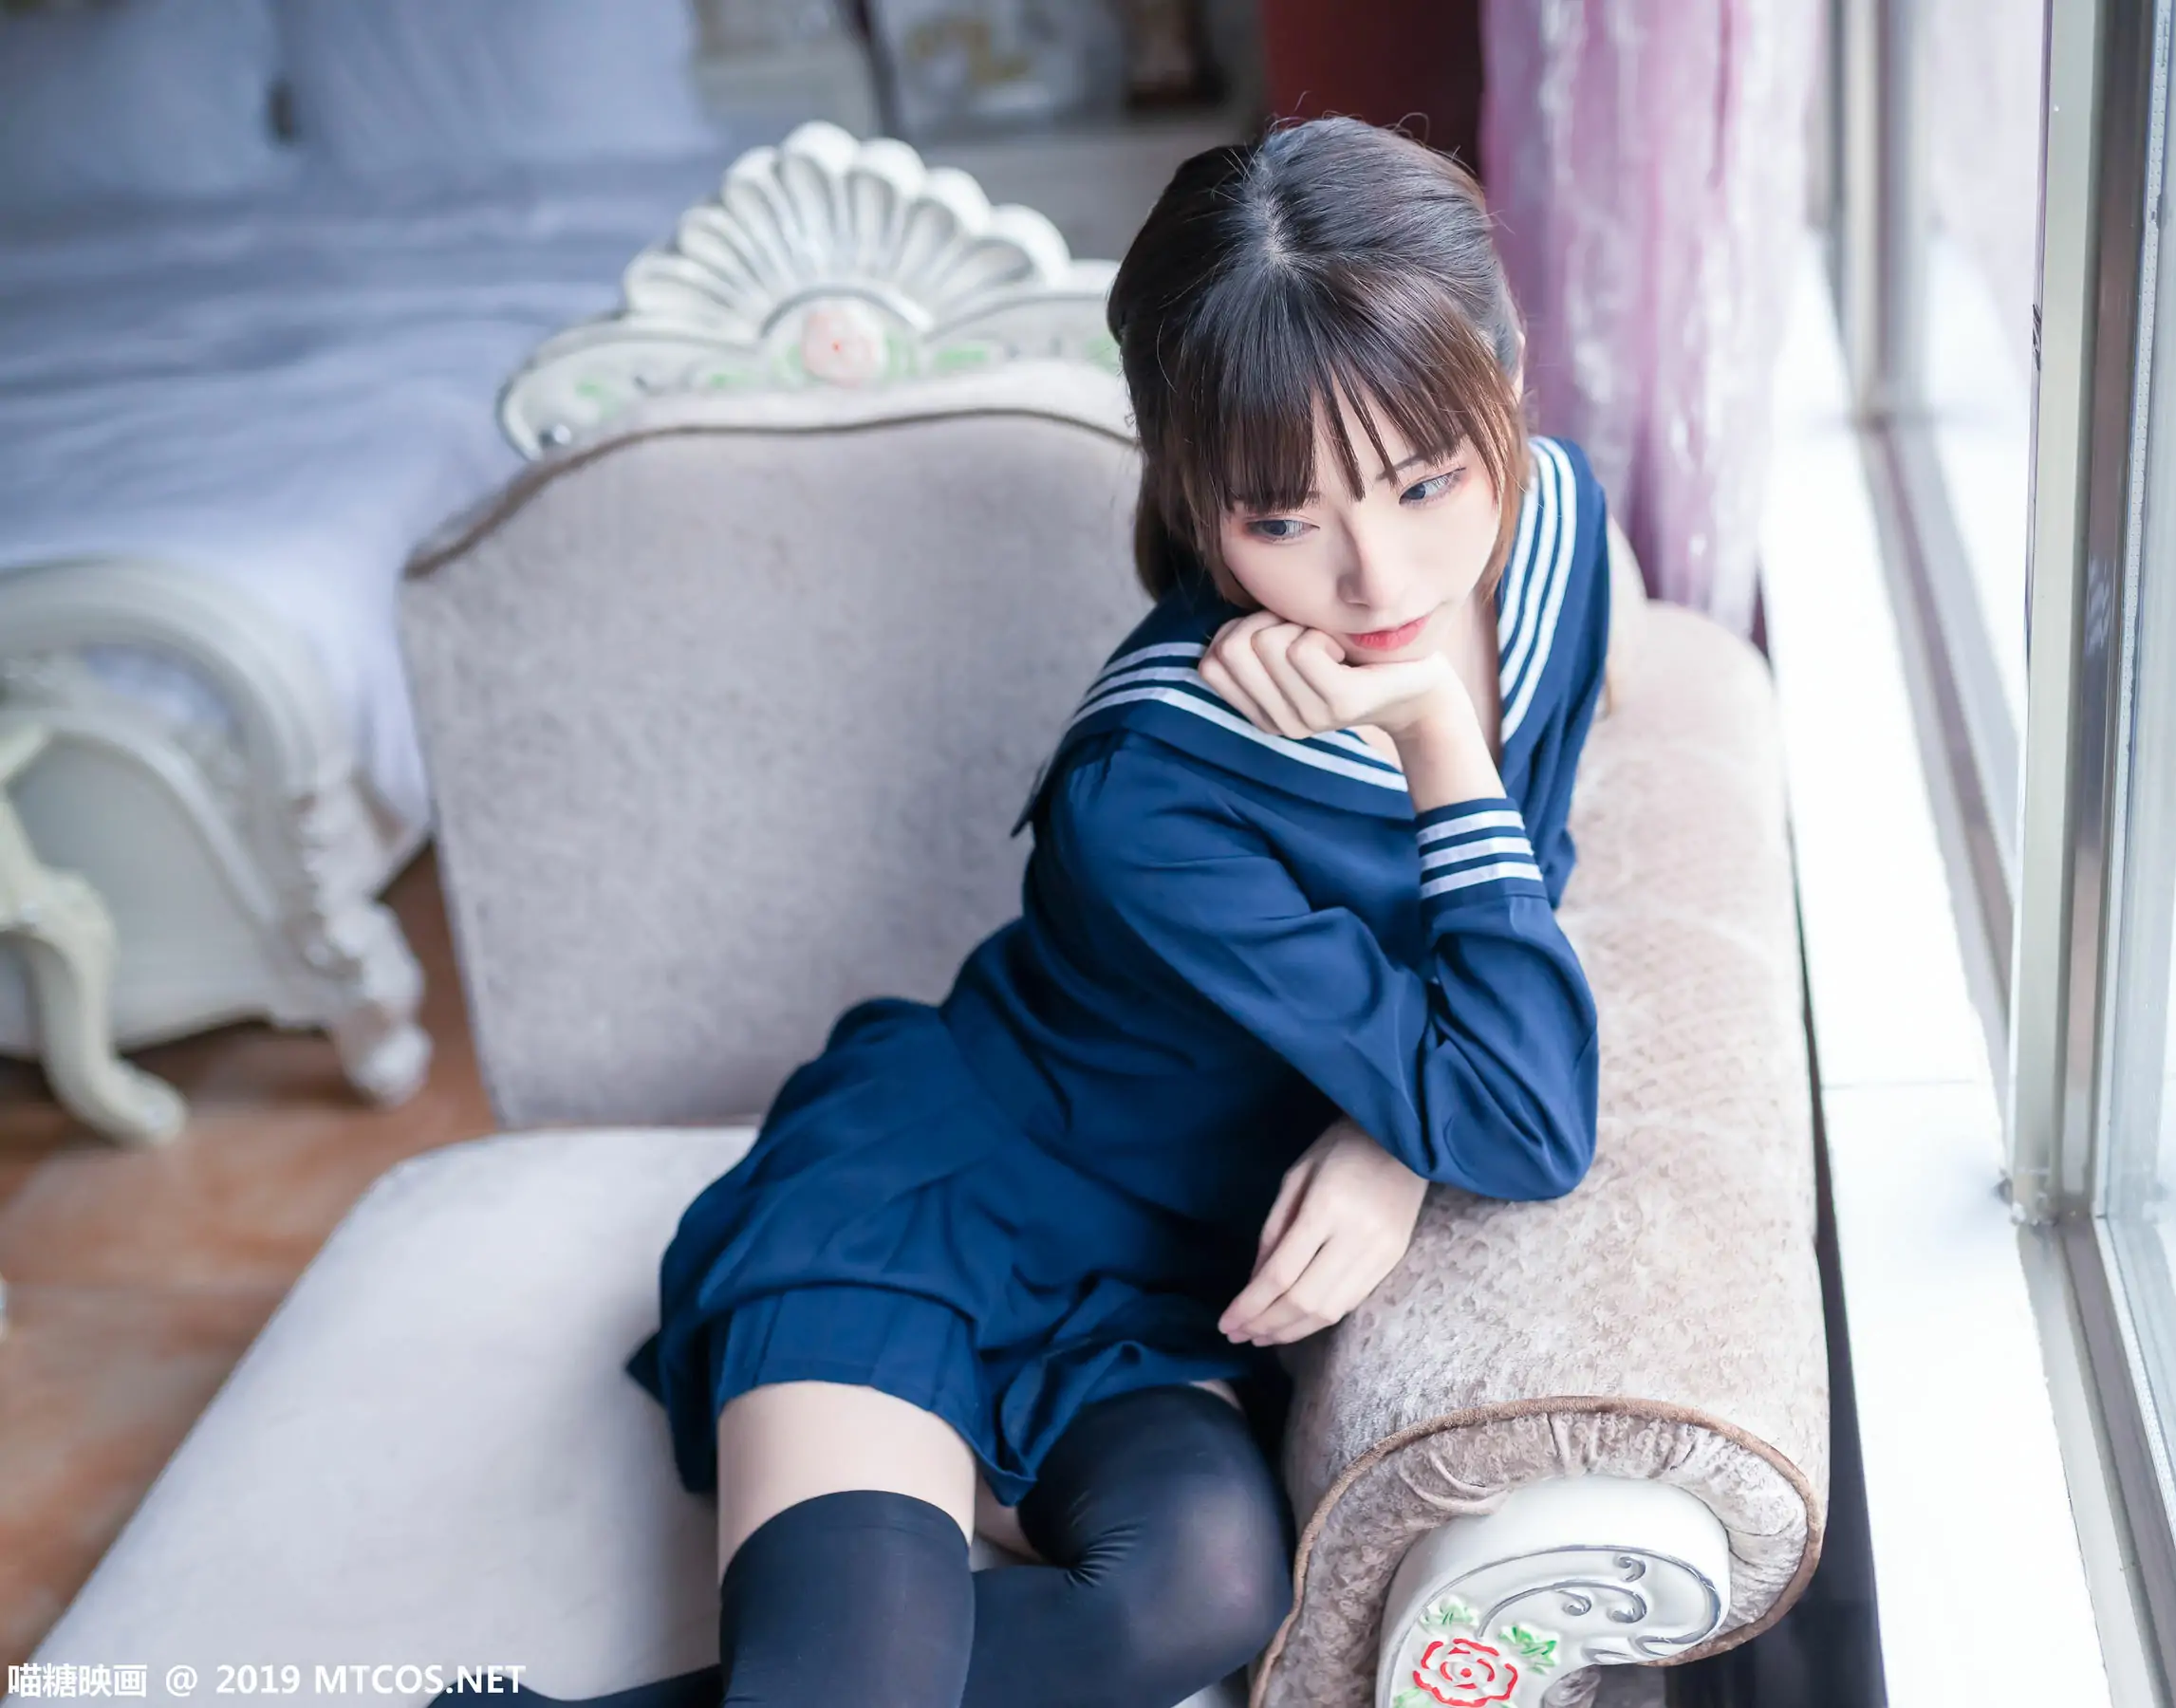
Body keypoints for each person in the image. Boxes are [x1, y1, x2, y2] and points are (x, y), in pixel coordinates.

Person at [452, 114, 1621, 1708]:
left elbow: (1513, 1059)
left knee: (1201, 1596)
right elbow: (1526, 1111)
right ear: (1195, 497)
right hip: (925, 1201)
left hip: (1159, 1279)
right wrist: (1430, 738)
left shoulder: (1554, 537)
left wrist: (1393, 1130)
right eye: (1284, 519)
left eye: (1426, 482)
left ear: (1508, 377)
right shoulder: (1152, 786)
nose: (1378, 576)